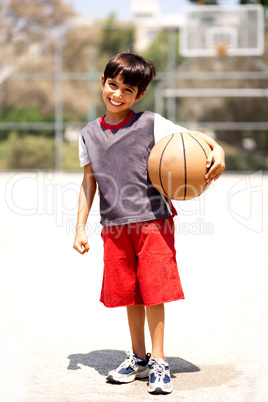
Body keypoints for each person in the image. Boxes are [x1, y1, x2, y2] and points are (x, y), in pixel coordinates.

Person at [73, 52, 225, 394]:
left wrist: (219, 150)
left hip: (154, 221)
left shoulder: (151, 123)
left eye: (127, 90)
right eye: (112, 85)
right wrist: (81, 227)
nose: (117, 94)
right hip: (114, 225)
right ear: (103, 82)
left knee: (154, 291)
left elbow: (195, 138)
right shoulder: (88, 134)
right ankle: (138, 358)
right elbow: (88, 183)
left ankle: (159, 360)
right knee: (130, 293)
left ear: (139, 95)